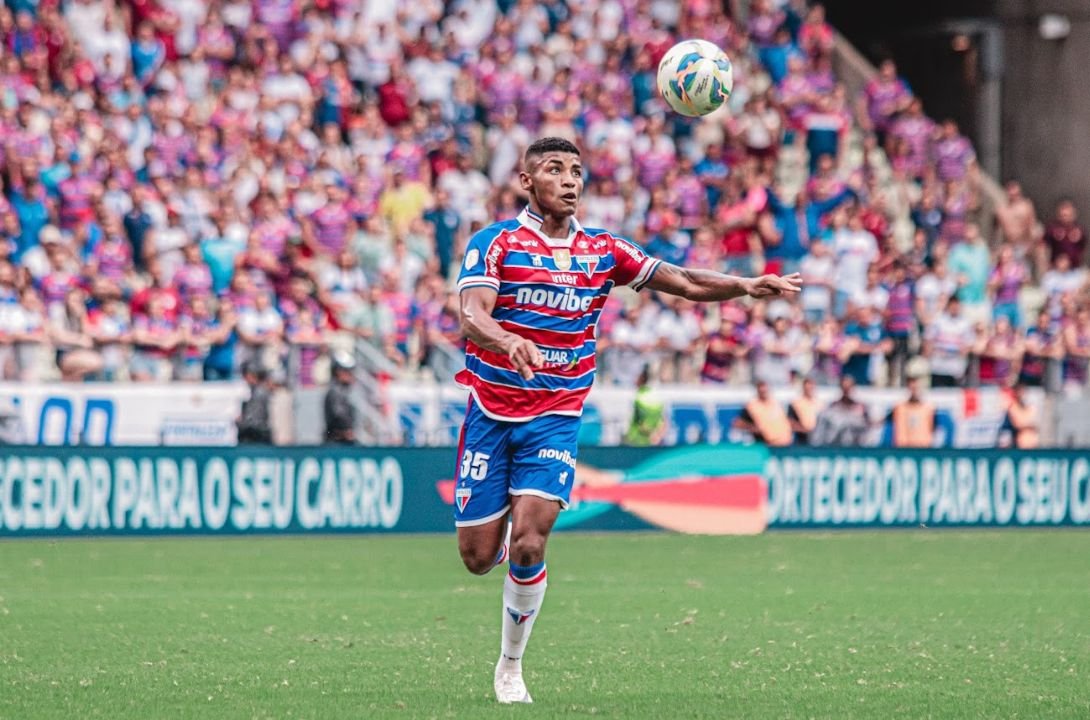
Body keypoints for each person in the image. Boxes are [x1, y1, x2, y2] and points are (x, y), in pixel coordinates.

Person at [454, 137, 801, 704]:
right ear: (526, 181)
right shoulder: (495, 243)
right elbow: (472, 314)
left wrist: (743, 285)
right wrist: (508, 339)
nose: (569, 180)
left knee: (531, 542)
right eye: (554, 170)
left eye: (576, 171)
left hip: (556, 414)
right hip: (492, 411)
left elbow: (684, 281)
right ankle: (492, 542)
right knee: (476, 558)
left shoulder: (603, 250)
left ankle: (510, 667)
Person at [811, 375, 872, 447]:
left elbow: (867, 428)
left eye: (849, 388)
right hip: (836, 447)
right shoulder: (833, 406)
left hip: (856, 447)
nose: (847, 391)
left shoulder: (862, 408)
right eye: (844, 388)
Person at [733, 379, 793, 446]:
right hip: (767, 444)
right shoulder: (752, 406)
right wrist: (752, 427)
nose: (764, 392)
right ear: (757, 391)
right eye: (761, 390)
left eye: (765, 390)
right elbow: (737, 423)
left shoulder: (775, 403)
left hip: (785, 442)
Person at [622, 366, 666, 446]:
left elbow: (641, 423)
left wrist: (651, 434)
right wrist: (657, 436)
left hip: (637, 441)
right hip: (653, 443)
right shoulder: (657, 396)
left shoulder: (638, 398)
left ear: (641, 378)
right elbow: (663, 421)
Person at [889, 375, 936, 448]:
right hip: (903, 449)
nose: (914, 392)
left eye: (916, 388)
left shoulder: (928, 408)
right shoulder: (900, 408)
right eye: (912, 389)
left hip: (924, 448)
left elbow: (935, 428)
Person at [323, 351, 358, 444]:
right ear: (337, 372)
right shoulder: (335, 392)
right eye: (347, 371)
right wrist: (347, 429)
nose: (350, 374)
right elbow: (338, 414)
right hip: (336, 442)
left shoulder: (346, 391)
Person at [236, 361, 272, 444]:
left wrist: (241, 423)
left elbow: (254, 420)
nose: (245, 378)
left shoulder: (260, 392)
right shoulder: (252, 391)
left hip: (257, 436)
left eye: (246, 375)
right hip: (255, 434)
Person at [1003, 382, 1040, 449]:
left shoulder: (1030, 405)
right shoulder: (1012, 406)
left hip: (1032, 441)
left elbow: (1034, 420)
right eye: (1019, 390)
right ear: (1015, 392)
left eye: (1023, 390)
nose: (1022, 393)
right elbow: (1019, 422)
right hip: (1022, 440)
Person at [788, 376, 821, 445]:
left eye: (811, 386)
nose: (809, 389)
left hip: (818, 438)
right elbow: (790, 422)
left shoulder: (820, 403)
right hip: (802, 438)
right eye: (807, 387)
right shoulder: (795, 403)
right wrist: (804, 430)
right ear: (803, 387)